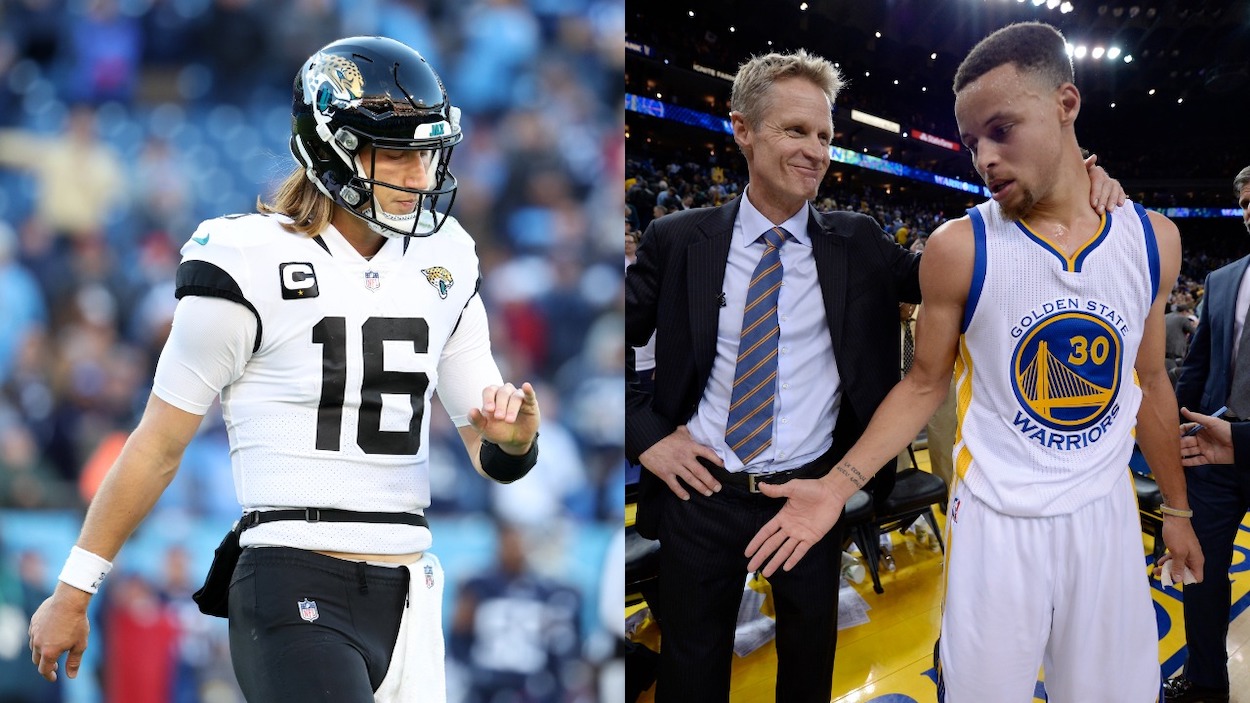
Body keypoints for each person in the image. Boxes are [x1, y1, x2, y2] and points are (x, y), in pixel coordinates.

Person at [27, 36, 541, 703]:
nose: (419, 175)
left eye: (427, 154)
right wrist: (75, 588)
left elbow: (489, 446)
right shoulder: (245, 258)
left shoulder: (446, 259)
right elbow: (156, 444)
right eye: (397, 153)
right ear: (332, 147)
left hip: (411, 592)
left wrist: (515, 439)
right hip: (292, 572)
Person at [624, 46, 1125, 702]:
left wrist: (1059, 186)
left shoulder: (856, 241)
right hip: (701, 494)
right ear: (741, 128)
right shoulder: (676, 238)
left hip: (809, 494)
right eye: (796, 130)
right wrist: (647, 432)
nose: (816, 150)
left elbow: (952, 263)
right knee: (692, 671)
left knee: (809, 667)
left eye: (826, 135)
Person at [743, 22, 1202, 702]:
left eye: (1002, 129)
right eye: (972, 141)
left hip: (1105, 515)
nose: (983, 157)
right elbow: (923, 383)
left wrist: (1178, 509)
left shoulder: (1152, 239)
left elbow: (1152, 381)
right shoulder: (959, 246)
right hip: (995, 521)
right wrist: (837, 486)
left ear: (1066, 104)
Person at [1166, 165, 1250, 703]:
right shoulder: (1222, 280)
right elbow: (1195, 371)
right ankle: (1206, 683)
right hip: (1217, 458)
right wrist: (1170, 431)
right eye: (1245, 202)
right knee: (1201, 573)